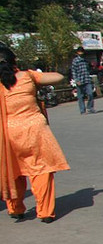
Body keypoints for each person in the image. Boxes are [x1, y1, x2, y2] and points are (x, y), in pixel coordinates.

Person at [0, 44, 70, 223]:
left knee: (13, 171)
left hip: (8, 133)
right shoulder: (28, 76)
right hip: (35, 130)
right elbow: (58, 77)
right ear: (14, 60)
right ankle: (45, 212)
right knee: (41, 169)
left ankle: (15, 208)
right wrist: (32, 75)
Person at [70, 46, 95, 115]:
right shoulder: (75, 61)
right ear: (77, 52)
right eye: (80, 52)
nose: (81, 53)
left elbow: (88, 69)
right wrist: (76, 80)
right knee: (80, 96)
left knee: (90, 94)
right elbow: (74, 71)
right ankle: (82, 110)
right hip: (79, 80)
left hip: (87, 79)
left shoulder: (85, 60)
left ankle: (90, 107)